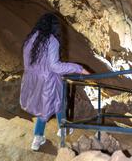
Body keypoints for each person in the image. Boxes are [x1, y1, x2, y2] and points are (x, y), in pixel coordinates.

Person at [20, 13, 89, 151]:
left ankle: (40, 137)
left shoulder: (30, 39)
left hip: (31, 80)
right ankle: (57, 131)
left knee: (46, 106)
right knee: (56, 102)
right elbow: (55, 66)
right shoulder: (51, 41)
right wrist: (78, 68)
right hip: (48, 80)